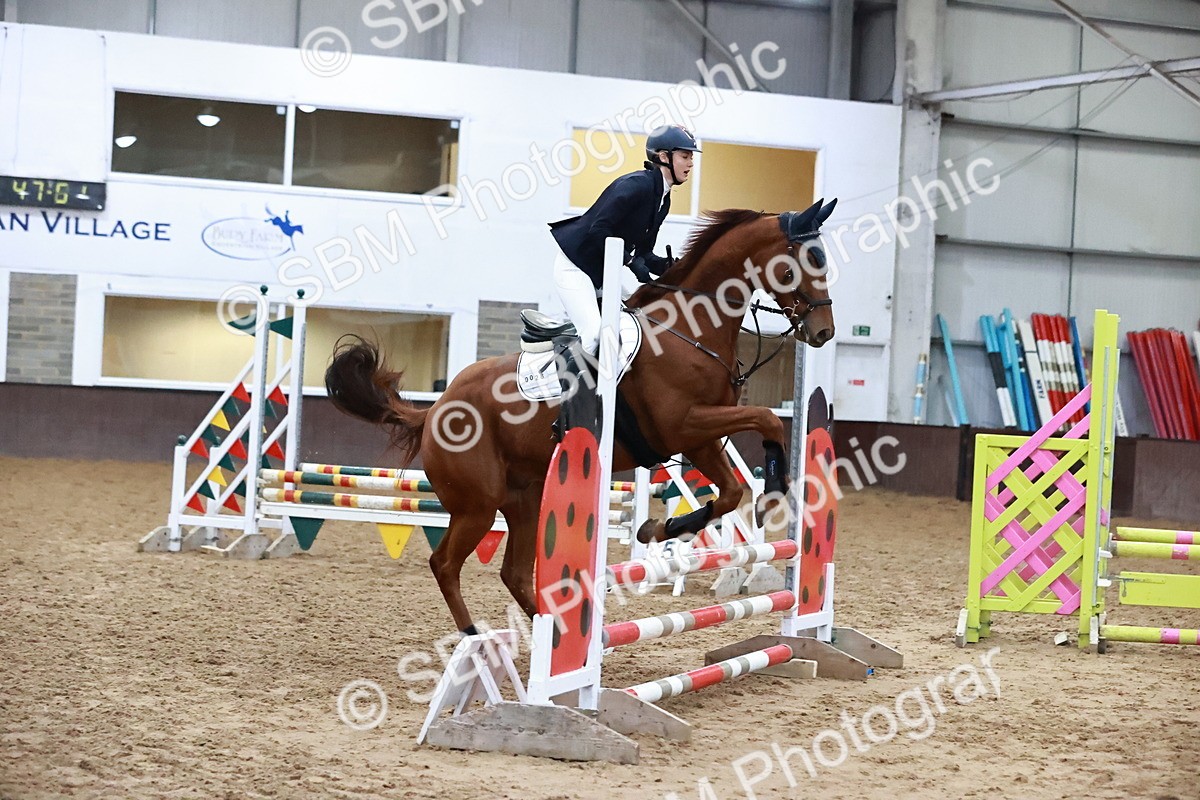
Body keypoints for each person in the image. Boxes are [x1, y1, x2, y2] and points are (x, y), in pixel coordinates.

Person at [547, 124, 700, 358]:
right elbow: (599, 229)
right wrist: (630, 262)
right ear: (663, 157)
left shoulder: (663, 199)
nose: (691, 163)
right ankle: (564, 392)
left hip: (602, 274)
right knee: (594, 334)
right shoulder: (636, 185)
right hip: (575, 268)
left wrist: (670, 266)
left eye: (691, 157)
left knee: (635, 324)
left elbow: (645, 253)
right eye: (685, 156)